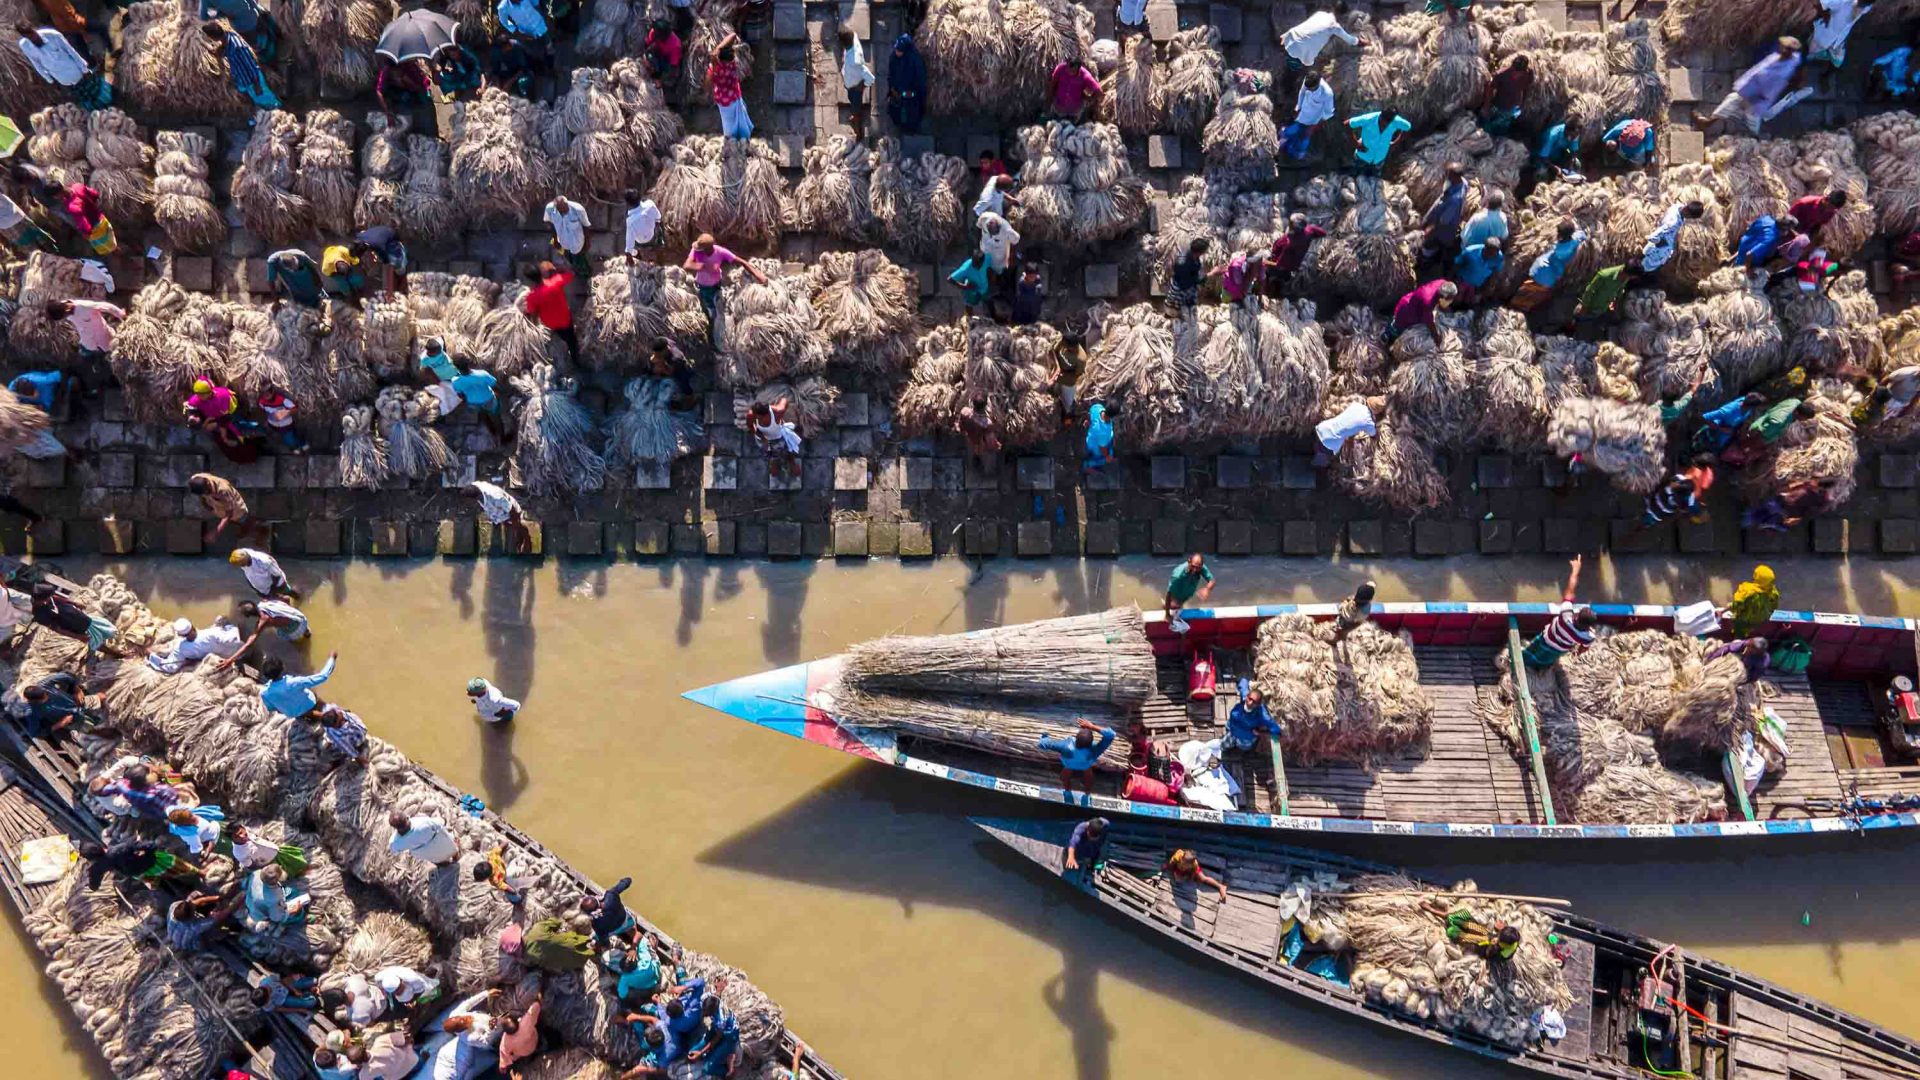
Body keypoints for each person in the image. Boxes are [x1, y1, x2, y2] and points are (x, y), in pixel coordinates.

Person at [1697, 37, 1802, 136]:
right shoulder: (1776, 57)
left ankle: (1754, 138)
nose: (1782, 49)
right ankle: (1708, 122)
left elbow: (1770, 86)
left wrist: (1755, 97)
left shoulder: (1783, 70)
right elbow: (1758, 70)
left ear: (1790, 52)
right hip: (1749, 88)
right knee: (1730, 103)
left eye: (1786, 48)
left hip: (1757, 96)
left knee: (1751, 119)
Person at [1522, 556, 1595, 668]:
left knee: (1530, 651)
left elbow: (1570, 591)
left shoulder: (1566, 617)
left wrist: (1575, 570)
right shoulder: (1588, 637)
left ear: (1576, 617)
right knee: (1545, 660)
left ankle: (1524, 661)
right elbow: (1584, 647)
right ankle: (1538, 667)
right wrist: (1577, 653)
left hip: (1546, 638)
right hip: (1559, 650)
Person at [17, 20, 109, 108]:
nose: (33, 38)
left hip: (77, 72)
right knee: (86, 99)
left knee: (100, 91)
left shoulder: (53, 35)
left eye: (32, 34)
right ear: (24, 36)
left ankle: (112, 102)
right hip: (63, 79)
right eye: (28, 37)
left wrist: (84, 68)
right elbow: (36, 63)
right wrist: (49, 79)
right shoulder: (25, 45)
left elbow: (71, 51)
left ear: (33, 29)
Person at [684, 234, 764, 331]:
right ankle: (711, 322)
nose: (699, 250)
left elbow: (742, 262)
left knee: (719, 302)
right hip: (703, 285)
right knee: (710, 307)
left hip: (716, 283)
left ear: (709, 248)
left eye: (702, 249)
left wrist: (757, 274)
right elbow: (687, 265)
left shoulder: (720, 252)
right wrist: (704, 266)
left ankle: (716, 319)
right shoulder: (697, 250)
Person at [1513, 220, 1585, 313]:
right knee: (1537, 294)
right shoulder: (1575, 241)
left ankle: (1516, 306)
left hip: (1541, 271)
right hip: (1549, 278)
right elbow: (1582, 234)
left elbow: (1555, 261)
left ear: (1560, 235)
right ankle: (1525, 308)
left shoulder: (1559, 249)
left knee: (1526, 290)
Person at [203, 19, 278, 108]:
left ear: (214, 37)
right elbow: (220, 52)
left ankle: (275, 115)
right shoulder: (226, 40)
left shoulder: (237, 47)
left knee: (267, 101)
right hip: (244, 79)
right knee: (258, 103)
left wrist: (257, 85)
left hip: (253, 80)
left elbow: (251, 65)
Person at [30, 582, 116, 653]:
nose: (51, 597)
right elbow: (57, 629)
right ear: (41, 599)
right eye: (48, 596)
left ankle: (110, 638)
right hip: (76, 627)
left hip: (80, 617)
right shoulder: (40, 614)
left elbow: (56, 598)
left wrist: (74, 603)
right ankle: (115, 654)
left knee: (101, 628)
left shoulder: (47, 598)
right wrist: (77, 636)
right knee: (96, 642)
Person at [80, 838, 202, 888]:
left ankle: (158, 885)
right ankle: (199, 873)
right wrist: (151, 848)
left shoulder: (97, 867)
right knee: (176, 865)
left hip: (137, 873)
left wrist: (90, 882)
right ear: (100, 847)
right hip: (151, 862)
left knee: (151, 881)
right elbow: (149, 845)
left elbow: (94, 886)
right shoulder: (121, 848)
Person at [1038, 718, 1115, 797]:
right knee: (1088, 774)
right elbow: (1111, 734)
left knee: (1066, 774)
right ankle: (1087, 793)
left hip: (1068, 764)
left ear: (1076, 738)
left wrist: (1045, 735)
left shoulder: (1065, 746)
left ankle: (1067, 791)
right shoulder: (1095, 749)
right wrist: (1091, 726)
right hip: (1085, 765)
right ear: (1091, 742)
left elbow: (1043, 744)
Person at [15, 671, 104, 738]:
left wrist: (77, 690)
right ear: (35, 701)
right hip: (73, 720)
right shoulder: (32, 711)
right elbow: (35, 733)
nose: (47, 697)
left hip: (77, 702)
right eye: (44, 699)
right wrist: (61, 724)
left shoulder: (44, 684)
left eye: (46, 695)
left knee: (103, 697)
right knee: (99, 733)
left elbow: (66, 676)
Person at [147, 616, 243, 674]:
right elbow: (234, 637)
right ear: (192, 626)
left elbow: (171, 667)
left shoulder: (182, 648)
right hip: (238, 654)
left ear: (180, 635)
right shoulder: (212, 632)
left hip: (219, 662)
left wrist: (149, 654)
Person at [1279, 3, 1359, 70]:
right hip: (1302, 51)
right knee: (1307, 66)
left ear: (1333, 8)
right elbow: (1351, 40)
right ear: (1342, 16)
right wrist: (1360, 41)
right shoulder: (1334, 26)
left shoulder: (1320, 14)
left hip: (1291, 37)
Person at [1419, 163, 1469, 268]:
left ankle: (1425, 262)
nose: (1445, 175)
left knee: (1430, 244)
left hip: (1441, 229)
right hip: (1442, 218)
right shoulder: (1463, 182)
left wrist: (1429, 229)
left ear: (1455, 177)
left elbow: (1444, 220)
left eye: (1448, 174)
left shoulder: (1455, 200)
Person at [260, 652, 335, 718]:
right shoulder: (294, 682)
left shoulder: (264, 692)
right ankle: (321, 710)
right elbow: (323, 677)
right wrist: (332, 658)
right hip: (309, 703)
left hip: (292, 713)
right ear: (283, 667)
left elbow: (271, 708)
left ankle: (307, 715)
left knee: (297, 703)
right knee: (309, 690)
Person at [46, 297, 122, 362]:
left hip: (104, 338)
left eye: (65, 316)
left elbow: (106, 306)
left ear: (66, 310)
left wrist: (121, 314)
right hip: (88, 343)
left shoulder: (84, 306)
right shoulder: (62, 308)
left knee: (114, 355)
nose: (66, 317)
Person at [1267, 214, 1327, 296]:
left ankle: (1274, 287)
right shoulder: (1309, 230)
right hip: (1299, 263)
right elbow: (1323, 233)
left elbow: (1276, 251)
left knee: (1264, 263)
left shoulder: (1287, 240)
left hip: (1285, 267)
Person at [1312, 395, 1381, 466]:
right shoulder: (1369, 422)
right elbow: (1373, 434)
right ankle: (1315, 468)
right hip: (1331, 440)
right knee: (1321, 461)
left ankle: (1311, 454)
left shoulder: (1356, 405)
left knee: (1317, 446)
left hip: (1323, 428)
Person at [1641, 199, 1705, 275]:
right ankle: (1642, 271)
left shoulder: (1678, 206)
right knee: (1651, 262)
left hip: (1667, 238)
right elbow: (1657, 234)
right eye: (1691, 217)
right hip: (1661, 244)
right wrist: (1661, 243)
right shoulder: (1672, 222)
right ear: (1688, 214)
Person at [1383, 279, 1457, 345]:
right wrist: (1437, 338)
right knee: (1396, 328)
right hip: (1407, 310)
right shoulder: (1428, 302)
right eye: (1449, 302)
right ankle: (1386, 338)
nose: (1450, 304)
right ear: (1442, 298)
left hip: (1416, 302)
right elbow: (1429, 322)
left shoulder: (1443, 283)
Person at [241, 862, 311, 930]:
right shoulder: (274, 898)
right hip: (261, 914)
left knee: (290, 892)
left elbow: (244, 884)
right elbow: (276, 917)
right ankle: (292, 923)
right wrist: (292, 911)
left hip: (250, 903)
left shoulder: (256, 873)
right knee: (297, 912)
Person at [1808, 0, 1872, 74]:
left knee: (1838, 63)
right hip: (1822, 35)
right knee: (1811, 52)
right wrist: (1823, 14)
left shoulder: (1868, 7)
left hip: (1838, 42)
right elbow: (1819, 2)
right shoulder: (1843, 1)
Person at [1438, 905, 1522, 961]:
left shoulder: (1505, 953)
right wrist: (1500, 928)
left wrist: (1492, 947)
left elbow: (1490, 957)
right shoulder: (1512, 935)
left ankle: (1442, 917)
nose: (1498, 936)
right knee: (1463, 918)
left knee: (1453, 931)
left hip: (1483, 946)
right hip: (1488, 935)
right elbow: (1501, 932)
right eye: (1500, 934)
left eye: (1500, 937)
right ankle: (1448, 916)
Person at [1284, 71, 1335, 161]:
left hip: (1314, 119)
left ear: (1319, 82)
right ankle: (1287, 149)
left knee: (1305, 137)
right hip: (1303, 113)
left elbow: (1329, 112)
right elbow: (1302, 92)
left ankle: (1298, 156)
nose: (1309, 90)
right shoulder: (1308, 80)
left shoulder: (1327, 93)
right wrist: (1298, 108)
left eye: (1312, 89)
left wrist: (1317, 124)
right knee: (1292, 132)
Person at [709, 32, 751, 139]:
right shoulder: (733, 65)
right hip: (735, 96)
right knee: (740, 119)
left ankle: (731, 139)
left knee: (728, 124)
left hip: (724, 102)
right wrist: (719, 48)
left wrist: (713, 65)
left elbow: (707, 83)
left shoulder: (717, 70)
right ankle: (742, 137)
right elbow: (732, 35)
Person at [748, 398, 802, 481]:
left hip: (779, 435)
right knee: (770, 453)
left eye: (760, 418)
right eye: (757, 417)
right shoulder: (751, 415)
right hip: (765, 438)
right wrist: (761, 437)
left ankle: (791, 462)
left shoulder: (777, 411)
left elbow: (784, 400)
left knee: (788, 450)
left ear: (766, 414)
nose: (759, 419)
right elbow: (751, 426)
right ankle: (774, 463)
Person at [1223, 677, 1281, 753]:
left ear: (1259, 704)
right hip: (1232, 730)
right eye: (1250, 699)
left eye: (1254, 702)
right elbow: (1243, 681)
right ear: (1247, 696)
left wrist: (1260, 733)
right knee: (1224, 746)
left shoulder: (1262, 715)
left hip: (1245, 738)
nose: (1250, 703)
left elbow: (1276, 731)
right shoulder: (1244, 695)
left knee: (1243, 749)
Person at [188, 472, 250, 543]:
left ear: (208, 484)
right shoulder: (196, 478)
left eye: (207, 492)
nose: (207, 494)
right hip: (219, 507)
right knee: (231, 521)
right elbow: (202, 495)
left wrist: (215, 532)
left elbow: (229, 513)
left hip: (236, 508)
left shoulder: (223, 490)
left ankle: (249, 529)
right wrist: (205, 504)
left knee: (242, 519)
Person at [1574, 262, 1642, 324]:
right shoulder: (1604, 276)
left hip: (1601, 308)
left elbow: (1620, 289)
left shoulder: (1625, 276)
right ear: (1625, 273)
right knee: (1578, 321)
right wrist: (1584, 307)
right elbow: (1589, 291)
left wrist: (1616, 301)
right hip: (1589, 308)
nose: (1629, 279)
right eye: (1630, 277)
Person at [523, 915, 597, 971]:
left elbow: (554, 922)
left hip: (529, 957)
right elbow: (586, 956)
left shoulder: (538, 928)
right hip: (542, 964)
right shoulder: (574, 943)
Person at [1347, 107, 1410, 172]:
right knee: (1354, 176)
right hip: (1362, 157)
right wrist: (1355, 143)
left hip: (1379, 160)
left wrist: (1395, 143)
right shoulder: (1369, 118)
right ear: (1381, 116)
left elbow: (1407, 127)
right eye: (1383, 122)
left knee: (1374, 179)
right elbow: (1348, 123)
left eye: (1387, 123)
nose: (1385, 125)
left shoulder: (1396, 121)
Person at [452, 365, 506, 441]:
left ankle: (492, 432)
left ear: (456, 367)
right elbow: (495, 386)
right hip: (488, 399)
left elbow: (461, 395)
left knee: (483, 416)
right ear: (468, 363)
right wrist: (499, 394)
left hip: (473, 403)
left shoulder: (455, 381)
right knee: (496, 417)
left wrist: (469, 399)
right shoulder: (482, 374)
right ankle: (502, 437)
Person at [1480, 54, 1531, 134]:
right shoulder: (1501, 74)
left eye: (1518, 73)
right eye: (1513, 70)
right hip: (1497, 105)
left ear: (1523, 72)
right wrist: (1486, 107)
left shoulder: (1528, 75)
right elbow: (1490, 89)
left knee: (1502, 129)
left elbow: (1526, 88)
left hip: (1511, 107)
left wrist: (1522, 104)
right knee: (1487, 128)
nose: (1515, 74)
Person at [886, 34, 927, 133]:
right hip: (897, 93)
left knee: (911, 114)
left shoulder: (914, 60)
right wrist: (892, 88)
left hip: (911, 94)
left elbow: (920, 79)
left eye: (899, 50)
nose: (897, 52)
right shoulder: (894, 58)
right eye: (896, 49)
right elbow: (891, 74)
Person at [388, 810, 458, 867]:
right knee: (453, 842)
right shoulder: (422, 822)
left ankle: (443, 864)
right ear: (407, 818)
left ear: (394, 827)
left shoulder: (394, 843)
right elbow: (441, 823)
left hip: (433, 857)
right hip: (447, 846)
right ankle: (456, 856)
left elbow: (395, 851)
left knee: (433, 857)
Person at [352, 224, 409, 295]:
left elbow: (388, 265)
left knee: (398, 268)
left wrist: (389, 292)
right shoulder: (359, 237)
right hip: (380, 233)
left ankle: (402, 288)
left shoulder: (379, 245)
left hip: (392, 238)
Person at [839, 25, 873, 140]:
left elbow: (870, 78)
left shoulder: (855, 62)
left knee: (855, 107)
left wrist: (862, 86)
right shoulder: (853, 38)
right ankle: (855, 116)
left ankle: (859, 133)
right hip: (850, 84)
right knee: (851, 101)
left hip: (855, 89)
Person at [543, 194, 590, 275]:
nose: (563, 213)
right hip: (563, 242)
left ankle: (587, 273)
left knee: (580, 259)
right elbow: (550, 223)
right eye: (560, 211)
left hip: (577, 244)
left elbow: (586, 226)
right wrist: (554, 239)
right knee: (569, 258)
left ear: (567, 204)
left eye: (565, 210)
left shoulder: (578, 210)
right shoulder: (550, 209)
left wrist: (587, 243)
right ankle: (576, 269)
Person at [1451, 235, 1504, 307]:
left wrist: (1488, 287)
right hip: (1462, 281)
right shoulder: (1470, 252)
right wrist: (1452, 280)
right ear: (1485, 249)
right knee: (1456, 300)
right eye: (1490, 253)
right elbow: (1457, 264)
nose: (1492, 256)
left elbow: (1496, 271)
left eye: (1495, 254)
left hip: (1477, 285)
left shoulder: (1498, 257)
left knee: (1469, 303)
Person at [497, 993, 543, 1073]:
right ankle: (542, 1046)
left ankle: (530, 1058)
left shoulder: (505, 1041)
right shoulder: (525, 1022)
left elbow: (503, 1055)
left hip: (525, 1052)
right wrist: (538, 997)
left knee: (516, 1054)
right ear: (517, 1021)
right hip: (535, 1040)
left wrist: (502, 1066)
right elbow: (536, 1006)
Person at [1163, 848, 1228, 902]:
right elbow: (1171, 865)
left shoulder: (1194, 864)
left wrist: (1191, 876)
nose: (1185, 865)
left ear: (1191, 864)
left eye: (1187, 865)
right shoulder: (1177, 857)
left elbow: (1193, 872)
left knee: (1203, 878)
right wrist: (1168, 867)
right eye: (1184, 863)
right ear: (1182, 858)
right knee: (1178, 881)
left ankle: (1220, 886)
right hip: (1179, 869)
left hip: (1189, 871)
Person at [1048, 55, 1100, 121]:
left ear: (1078, 68)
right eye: (1068, 69)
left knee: (1073, 128)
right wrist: (1050, 97)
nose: (1070, 72)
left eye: (1073, 71)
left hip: (1075, 111)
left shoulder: (1085, 75)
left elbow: (1098, 91)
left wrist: (1089, 99)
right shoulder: (1060, 69)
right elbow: (1053, 82)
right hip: (1059, 107)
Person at [1165, 552, 1215, 621]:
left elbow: (1212, 580)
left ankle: (1173, 606)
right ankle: (1166, 607)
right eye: (1193, 566)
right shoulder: (1178, 575)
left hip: (1187, 593)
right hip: (1177, 592)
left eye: (1197, 568)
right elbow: (1169, 593)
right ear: (1189, 562)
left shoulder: (1200, 566)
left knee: (1179, 606)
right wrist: (1167, 615)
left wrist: (1207, 589)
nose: (1195, 570)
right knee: (1174, 605)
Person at [228, 547, 293, 599]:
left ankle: (297, 597)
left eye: (242, 564)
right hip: (263, 589)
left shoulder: (264, 561)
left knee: (288, 592)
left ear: (246, 559)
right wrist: (252, 586)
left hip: (276, 585)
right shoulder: (242, 554)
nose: (242, 566)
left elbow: (277, 575)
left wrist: (272, 590)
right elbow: (247, 572)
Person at [1167, 237, 1207, 312]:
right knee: (1175, 314)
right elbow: (1188, 282)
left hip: (1186, 290)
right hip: (1180, 293)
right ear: (1199, 252)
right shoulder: (1183, 263)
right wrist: (1211, 274)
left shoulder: (1193, 256)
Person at [956, 398, 1002, 464]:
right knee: (987, 459)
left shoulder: (965, 412)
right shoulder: (987, 424)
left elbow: (960, 425)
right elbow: (992, 441)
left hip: (970, 439)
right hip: (982, 445)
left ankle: (972, 463)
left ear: (973, 404)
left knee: (971, 454)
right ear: (985, 406)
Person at [623, 189, 663, 264]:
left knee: (632, 241)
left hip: (642, 243)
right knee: (659, 227)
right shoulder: (650, 205)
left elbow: (629, 241)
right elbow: (658, 217)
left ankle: (638, 256)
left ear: (628, 204)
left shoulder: (630, 221)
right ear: (640, 198)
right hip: (653, 236)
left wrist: (628, 255)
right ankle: (659, 251)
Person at [947, 248, 992, 314]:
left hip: (984, 287)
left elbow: (991, 268)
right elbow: (949, 279)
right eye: (976, 264)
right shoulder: (966, 268)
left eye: (980, 265)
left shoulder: (987, 259)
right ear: (972, 260)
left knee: (987, 300)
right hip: (972, 291)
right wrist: (963, 287)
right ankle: (970, 318)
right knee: (969, 304)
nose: (978, 267)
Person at [1052, 330, 1085, 421]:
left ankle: (1067, 420)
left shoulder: (1080, 358)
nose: (1063, 346)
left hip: (1068, 383)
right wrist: (1057, 368)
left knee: (1068, 404)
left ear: (1072, 346)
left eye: (1065, 345)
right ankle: (1058, 405)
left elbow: (1077, 374)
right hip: (1058, 375)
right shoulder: (1063, 342)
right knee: (1055, 392)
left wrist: (1063, 372)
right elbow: (1055, 350)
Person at [254, 971, 320, 1014]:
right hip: (284, 1000)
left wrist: (295, 991)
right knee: (311, 1003)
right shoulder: (265, 1005)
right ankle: (309, 993)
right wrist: (299, 1009)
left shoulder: (269, 980)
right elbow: (280, 1008)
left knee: (313, 981)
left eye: (268, 999)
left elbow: (284, 980)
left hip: (287, 985)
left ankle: (309, 990)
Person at [977, 211, 1020, 277]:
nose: (991, 235)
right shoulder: (984, 218)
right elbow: (979, 227)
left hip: (998, 256)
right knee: (985, 266)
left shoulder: (1006, 229)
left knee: (998, 270)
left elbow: (1016, 240)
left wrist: (1011, 256)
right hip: (984, 249)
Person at [1083, 401, 1116, 474]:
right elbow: (1102, 447)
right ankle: (1088, 466)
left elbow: (1089, 415)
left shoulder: (1097, 407)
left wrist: (1088, 422)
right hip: (1095, 447)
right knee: (1105, 458)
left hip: (1090, 439)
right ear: (1114, 416)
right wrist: (1107, 457)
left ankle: (1088, 457)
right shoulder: (1105, 432)